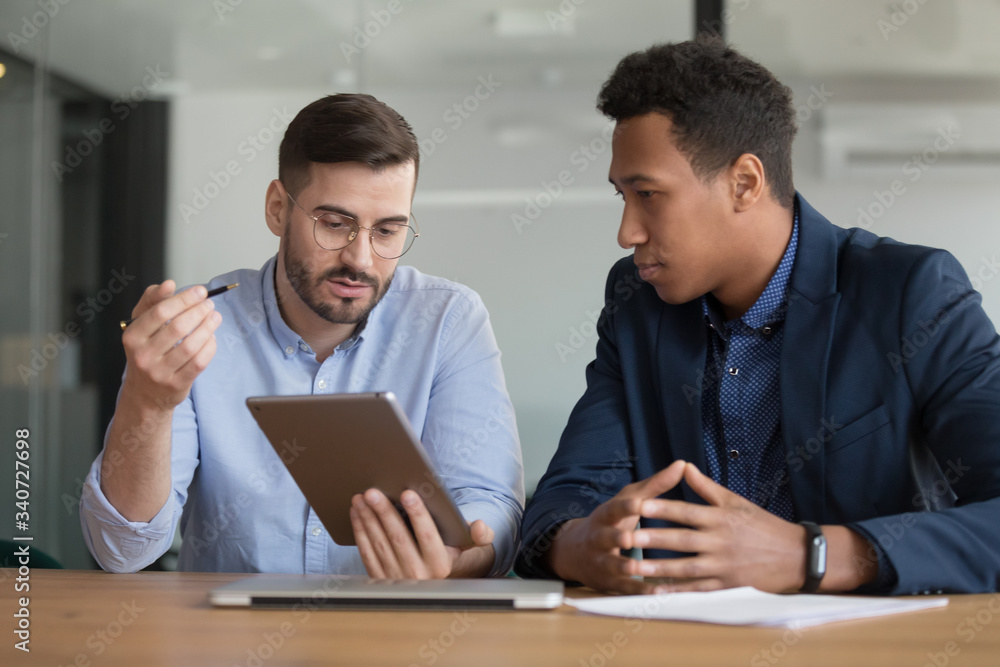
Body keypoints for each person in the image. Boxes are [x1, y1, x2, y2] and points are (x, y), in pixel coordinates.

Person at [516, 36, 1000, 596]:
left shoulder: (912, 293)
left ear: (744, 182)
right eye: (622, 197)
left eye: (648, 194)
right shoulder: (636, 304)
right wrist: (583, 546)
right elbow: (564, 501)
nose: (627, 233)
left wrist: (809, 554)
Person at [81, 94, 524, 578]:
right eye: (334, 224)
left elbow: (488, 504)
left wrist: (456, 560)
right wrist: (148, 403)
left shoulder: (447, 320)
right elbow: (122, 551)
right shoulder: (197, 327)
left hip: (395, 641)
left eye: (388, 231)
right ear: (277, 209)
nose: (361, 259)